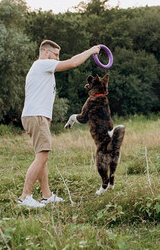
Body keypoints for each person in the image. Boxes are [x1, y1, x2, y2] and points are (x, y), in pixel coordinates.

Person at [18, 40, 100, 207]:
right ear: (46, 53)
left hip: (37, 116)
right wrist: (92, 50)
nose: (57, 58)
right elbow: (74, 62)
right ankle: (25, 197)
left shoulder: (42, 69)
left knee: (42, 157)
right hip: (36, 116)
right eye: (56, 55)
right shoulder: (43, 64)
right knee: (43, 156)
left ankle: (46, 195)